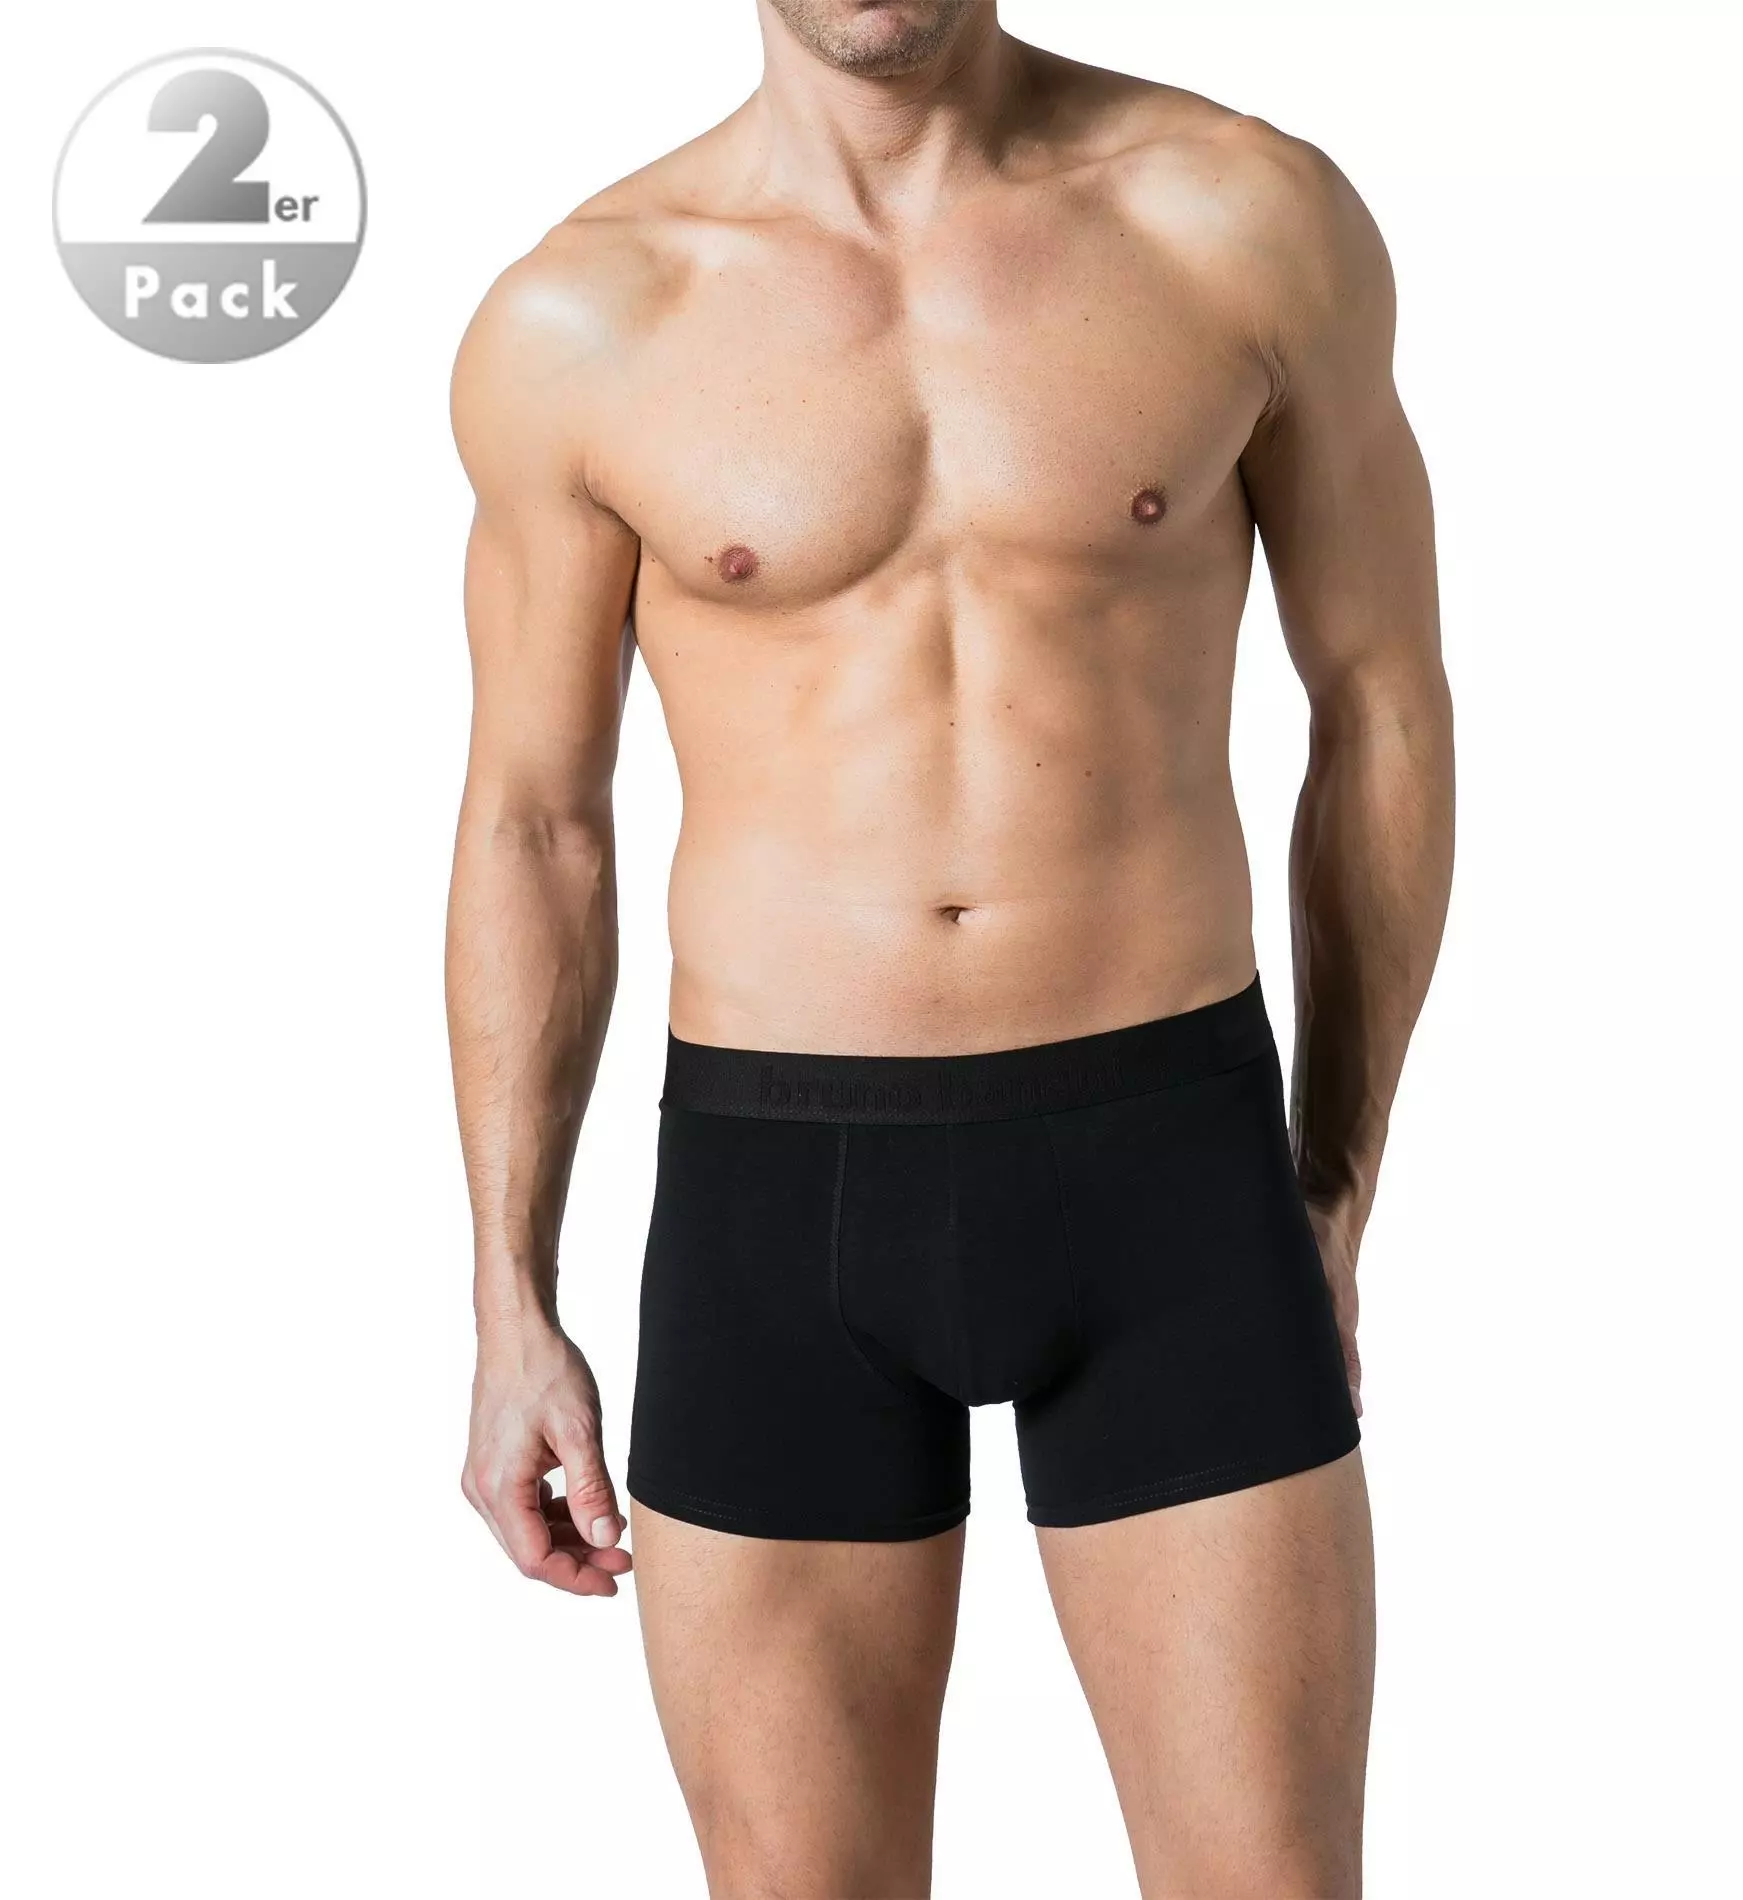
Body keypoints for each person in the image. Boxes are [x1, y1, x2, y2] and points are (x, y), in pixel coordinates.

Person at [446, 2, 1453, 1892]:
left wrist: (1329, 1187)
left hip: (1169, 1164)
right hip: (775, 1200)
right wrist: (513, 1299)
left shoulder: (1240, 218)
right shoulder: (583, 316)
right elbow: (534, 822)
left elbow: (1382, 706)